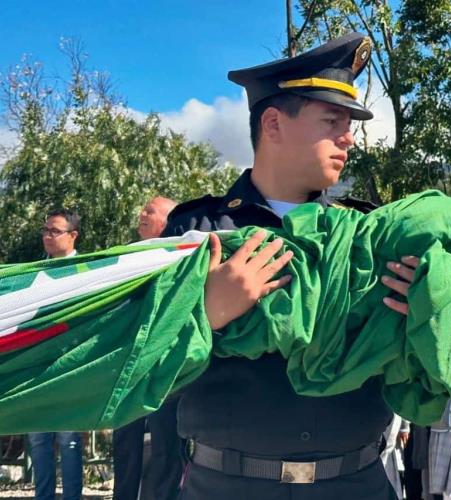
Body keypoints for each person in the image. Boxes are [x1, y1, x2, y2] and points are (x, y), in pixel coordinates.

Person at [162, 32, 417, 499]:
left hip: (356, 485)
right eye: (332, 120)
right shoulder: (198, 230)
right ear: (274, 124)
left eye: (350, 123)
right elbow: (142, 365)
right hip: (226, 487)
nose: (349, 137)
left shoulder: (367, 233)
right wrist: (208, 313)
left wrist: (423, 310)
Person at [112, 196, 184, 500]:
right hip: (129, 372)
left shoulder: (182, 258)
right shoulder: (126, 258)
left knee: (167, 445)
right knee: (125, 445)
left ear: (168, 220)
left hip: (167, 372)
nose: (141, 214)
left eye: (149, 211)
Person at [28, 209, 84, 500]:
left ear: (73, 236)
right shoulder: (34, 272)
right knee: (37, 439)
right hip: (37, 367)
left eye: (55, 231)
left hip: (68, 367)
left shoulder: (88, 270)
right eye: (46, 230)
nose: (48, 236)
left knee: (69, 439)